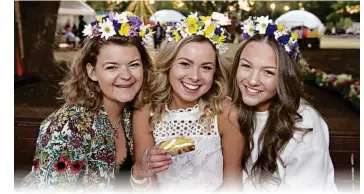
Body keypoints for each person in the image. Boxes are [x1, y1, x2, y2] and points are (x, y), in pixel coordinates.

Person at [20, 12, 153, 192]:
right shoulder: (68, 125)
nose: (126, 76)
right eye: (112, 67)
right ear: (92, 72)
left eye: (134, 65)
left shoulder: (129, 114)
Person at [129, 12, 245, 192]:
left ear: (215, 73)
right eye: (185, 64)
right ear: (169, 64)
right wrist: (140, 173)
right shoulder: (146, 111)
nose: (194, 76)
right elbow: (145, 185)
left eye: (206, 67)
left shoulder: (226, 112)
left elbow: (233, 183)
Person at [229, 16, 337, 192]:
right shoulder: (233, 111)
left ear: (284, 77)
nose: (253, 80)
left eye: (268, 72)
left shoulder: (303, 124)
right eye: (246, 66)